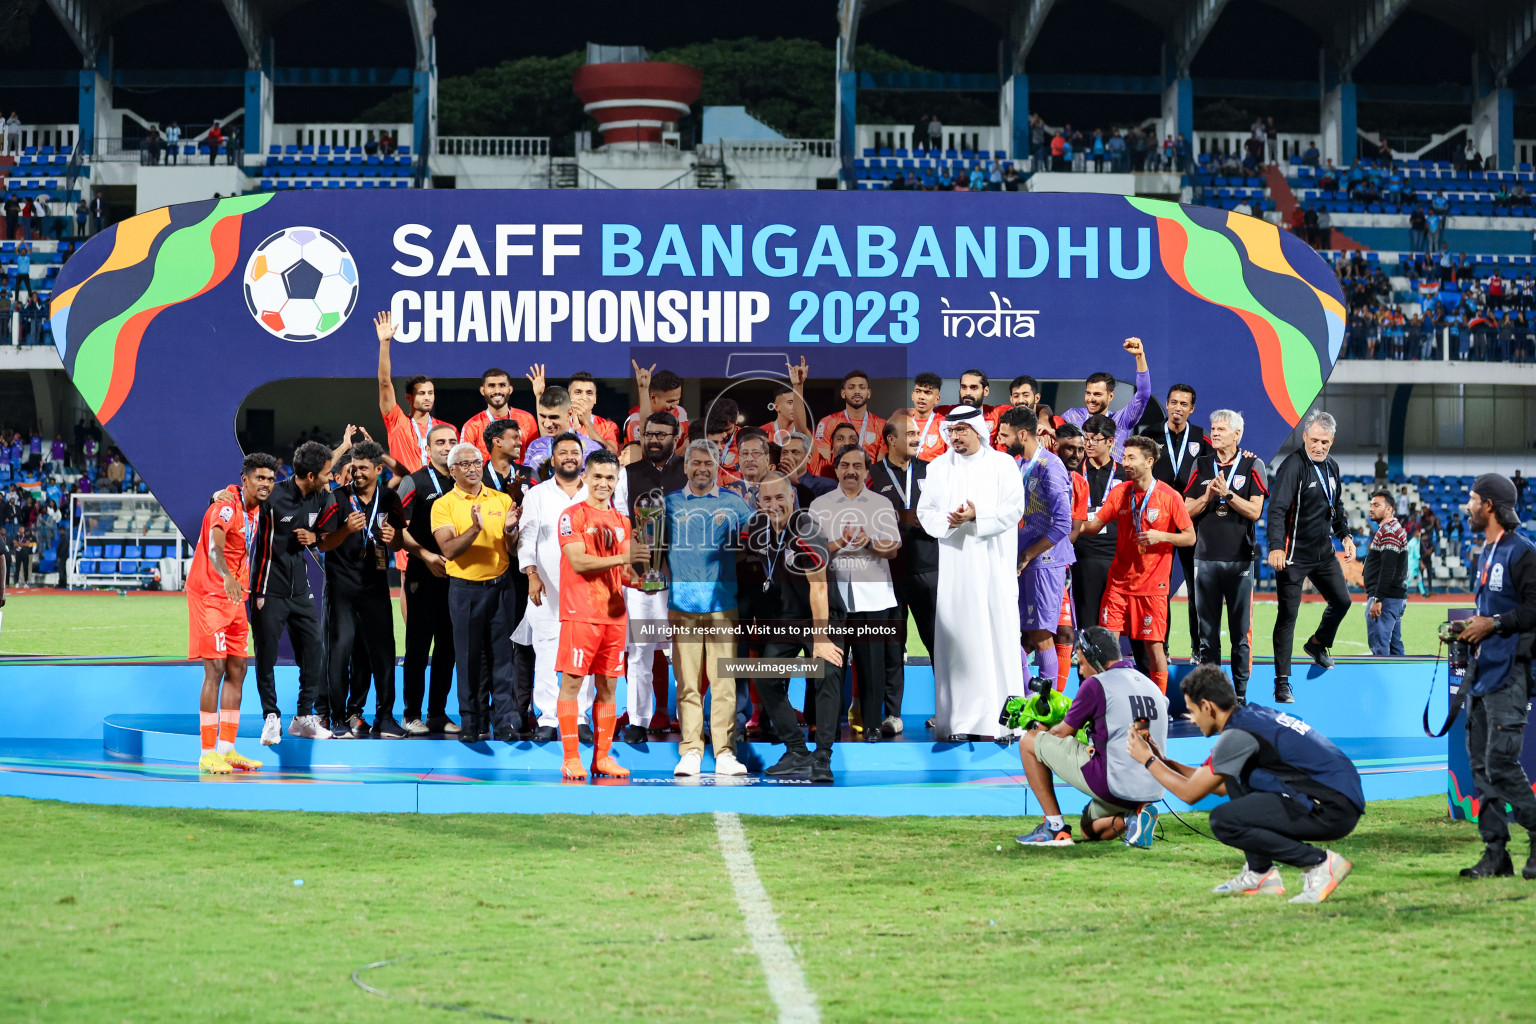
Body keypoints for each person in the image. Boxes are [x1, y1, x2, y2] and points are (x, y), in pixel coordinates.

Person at [1132, 665, 1361, 903]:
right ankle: (1260, 873)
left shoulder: (1236, 736)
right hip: (1338, 798)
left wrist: (1147, 760)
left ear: (1207, 706)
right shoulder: (1252, 718)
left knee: (1224, 821)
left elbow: (1191, 793)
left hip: (1332, 809)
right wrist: (1162, 760)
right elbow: (1215, 783)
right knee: (1234, 780)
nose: (1192, 719)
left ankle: (1320, 864)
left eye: (1192, 711)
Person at [916, 406, 1027, 740]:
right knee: (960, 641)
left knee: (1000, 638)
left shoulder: (1003, 464)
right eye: (951, 431)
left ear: (977, 430)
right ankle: (959, 723)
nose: (956, 437)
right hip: (956, 569)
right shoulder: (937, 467)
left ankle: (1007, 722)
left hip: (994, 568)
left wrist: (979, 516)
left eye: (962, 430)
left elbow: (1015, 507)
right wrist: (948, 521)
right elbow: (926, 510)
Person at [1015, 626, 1168, 847]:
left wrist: (1038, 726)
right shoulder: (1151, 686)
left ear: (1096, 658)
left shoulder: (1097, 684)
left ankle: (1054, 828)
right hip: (1152, 787)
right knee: (1088, 830)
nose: (1081, 671)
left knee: (1030, 740)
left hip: (1114, 784)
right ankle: (1134, 818)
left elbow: (1060, 734)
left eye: (1082, 663)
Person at [1453, 475, 1536, 880]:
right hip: (1483, 674)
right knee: (1480, 768)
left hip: (1510, 674)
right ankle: (1496, 854)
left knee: (1500, 762)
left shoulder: (1523, 553)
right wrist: (1469, 627)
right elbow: (1492, 614)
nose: (1466, 507)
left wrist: (1494, 623)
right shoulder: (1487, 551)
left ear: (1489, 505)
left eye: (1471, 500)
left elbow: (1533, 609)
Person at [745, 471, 846, 782]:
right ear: (757, 502)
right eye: (767, 498)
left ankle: (823, 757)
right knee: (764, 674)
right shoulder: (758, 527)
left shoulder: (807, 529)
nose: (774, 503)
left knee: (826, 672)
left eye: (780, 497)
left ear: (791, 497)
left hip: (822, 614)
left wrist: (821, 638)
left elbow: (818, 588)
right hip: (787, 617)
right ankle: (797, 751)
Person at [1077, 435, 1195, 694]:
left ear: (1149, 461)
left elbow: (1190, 536)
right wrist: (1069, 525)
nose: (1125, 463)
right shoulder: (1120, 492)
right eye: (1124, 457)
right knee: (1106, 645)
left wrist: (1162, 536)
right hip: (1118, 584)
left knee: (1154, 648)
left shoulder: (1169, 496)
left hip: (1152, 588)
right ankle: (1107, 701)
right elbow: (1094, 526)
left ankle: (1159, 703)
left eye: (1132, 458)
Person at [663, 440, 753, 776]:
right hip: (682, 605)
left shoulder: (734, 503)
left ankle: (725, 752)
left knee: (724, 683)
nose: (702, 469)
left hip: (723, 604)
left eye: (709, 464)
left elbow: (756, 537)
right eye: (696, 463)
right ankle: (690, 751)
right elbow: (655, 548)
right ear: (685, 466)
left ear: (718, 467)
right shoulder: (669, 504)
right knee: (687, 682)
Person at [554, 449, 641, 779]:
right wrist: (621, 562)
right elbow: (578, 562)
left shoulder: (623, 522)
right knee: (573, 685)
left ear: (617, 481)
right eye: (598, 477)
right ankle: (570, 756)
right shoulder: (571, 515)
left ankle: (602, 757)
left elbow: (625, 573)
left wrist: (641, 581)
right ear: (585, 478)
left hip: (614, 615)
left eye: (610, 478)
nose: (603, 483)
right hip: (581, 613)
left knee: (608, 688)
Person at [188, 454, 275, 774]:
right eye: (259, 478)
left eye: (270, 479)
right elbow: (214, 545)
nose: (265, 483)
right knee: (215, 669)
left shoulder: (256, 508)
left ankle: (227, 748)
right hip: (212, 593)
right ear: (245, 479)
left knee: (238, 668)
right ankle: (207, 751)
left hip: (236, 596)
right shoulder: (226, 506)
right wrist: (225, 574)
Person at [810, 443, 901, 740]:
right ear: (835, 469)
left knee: (872, 665)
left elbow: (893, 549)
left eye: (857, 466)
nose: (851, 471)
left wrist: (868, 543)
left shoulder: (881, 504)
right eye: (845, 465)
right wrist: (839, 542)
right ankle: (829, 727)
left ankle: (873, 726)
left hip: (872, 598)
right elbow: (811, 552)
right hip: (832, 599)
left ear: (866, 470)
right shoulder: (819, 505)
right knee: (832, 667)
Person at [315, 441, 407, 738]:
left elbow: (397, 542)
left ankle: (385, 717)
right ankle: (338, 717)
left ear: (379, 470)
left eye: (363, 468)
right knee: (339, 654)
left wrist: (392, 538)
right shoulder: (337, 498)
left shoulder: (390, 498)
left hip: (375, 587)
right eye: (353, 467)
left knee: (383, 653)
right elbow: (323, 543)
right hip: (341, 589)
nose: (356, 473)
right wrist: (346, 530)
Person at [246, 441, 336, 742]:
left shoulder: (320, 496)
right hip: (267, 589)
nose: (330, 476)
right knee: (266, 655)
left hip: (301, 590)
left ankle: (303, 716)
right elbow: (240, 498)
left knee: (315, 650)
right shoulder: (274, 494)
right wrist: (217, 495)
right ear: (310, 475)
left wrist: (314, 537)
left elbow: (325, 535)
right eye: (326, 472)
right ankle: (271, 717)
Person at [433, 441, 521, 743]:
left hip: (501, 587)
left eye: (476, 463)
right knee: (469, 658)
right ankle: (471, 721)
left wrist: (511, 530)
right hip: (465, 589)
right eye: (465, 464)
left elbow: (511, 548)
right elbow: (448, 549)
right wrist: (473, 529)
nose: (472, 469)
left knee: (502, 658)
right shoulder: (443, 505)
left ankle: (505, 722)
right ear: (452, 470)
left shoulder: (501, 500)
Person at [1266, 411, 1354, 703]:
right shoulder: (1293, 466)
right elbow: (1276, 508)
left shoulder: (1332, 467)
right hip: (1292, 555)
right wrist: (1276, 546)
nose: (1318, 446)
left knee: (1342, 601)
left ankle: (1318, 644)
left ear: (1332, 441)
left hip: (1324, 553)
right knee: (1288, 617)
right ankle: (1282, 682)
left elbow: (1336, 505)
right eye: (1314, 440)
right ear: (1304, 436)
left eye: (1324, 442)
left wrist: (1345, 535)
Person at [1184, 410, 1268, 704]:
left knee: (1240, 634)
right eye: (1213, 428)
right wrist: (1207, 497)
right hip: (1205, 559)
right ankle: (1212, 695)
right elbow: (1186, 510)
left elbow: (1256, 512)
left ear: (1237, 434)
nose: (1215, 432)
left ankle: (1241, 695)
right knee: (1206, 635)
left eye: (1221, 429)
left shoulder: (1252, 463)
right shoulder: (1202, 463)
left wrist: (1228, 494)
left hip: (1240, 560)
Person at [613, 411, 687, 740]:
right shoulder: (626, 475)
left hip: (683, 581)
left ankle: (691, 722)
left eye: (661, 434)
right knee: (640, 651)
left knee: (686, 653)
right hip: (642, 581)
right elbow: (618, 523)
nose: (654, 440)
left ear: (677, 437)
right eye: (649, 434)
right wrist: (630, 564)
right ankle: (639, 722)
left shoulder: (690, 472)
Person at [516, 434, 592, 741]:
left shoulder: (593, 493)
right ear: (553, 458)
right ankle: (548, 718)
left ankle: (580, 716)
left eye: (575, 452)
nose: (570, 456)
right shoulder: (537, 495)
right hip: (546, 587)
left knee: (581, 653)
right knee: (546, 652)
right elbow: (526, 536)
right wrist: (531, 573)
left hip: (587, 587)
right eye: (563, 452)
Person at [869, 412, 938, 731]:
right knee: (891, 645)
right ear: (891, 440)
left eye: (917, 433)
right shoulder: (873, 474)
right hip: (889, 573)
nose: (916, 437)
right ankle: (892, 714)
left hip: (928, 568)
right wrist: (899, 517)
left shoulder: (933, 471)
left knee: (938, 643)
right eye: (908, 433)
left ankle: (946, 710)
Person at [1000, 406, 1075, 696]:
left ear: (1022, 434)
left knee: (1042, 636)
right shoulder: (1018, 466)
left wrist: (1029, 553)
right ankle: (1025, 696)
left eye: (1005, 435)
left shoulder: (1050, 466)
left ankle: (1047, 706)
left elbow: (1063, 523)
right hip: (1022, 560)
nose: (1003, 441)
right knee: (1013, 633)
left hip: (1045, 561)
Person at [397, 425, 461, 735]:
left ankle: (437, 713)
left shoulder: (465, 481)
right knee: (418, 647)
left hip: (456, 576)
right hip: (423, 572)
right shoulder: (414, 480)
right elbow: (398, 529)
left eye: (452, 441)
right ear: (428, 448)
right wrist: (426, 555)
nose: (446, 447)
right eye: (440, 442)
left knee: (448, 648)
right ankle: (411, 714)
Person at [1143, 384, 1212, 656]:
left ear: (1192, 409)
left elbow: (1213, 471)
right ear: (1168, 405)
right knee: (1159, 590)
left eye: (1184, 404)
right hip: (1157, 524)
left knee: (1196, 591)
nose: (1178, 409)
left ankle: (1198, 648)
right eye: (1174, 403)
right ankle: (1163, 646)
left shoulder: (1201, 439)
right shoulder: (1150, 435)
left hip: (1189, 525)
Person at [375, 311, 448, 476]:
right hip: (406, 492)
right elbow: (384, 382)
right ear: (409, 397)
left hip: (438, 493)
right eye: (422, 393)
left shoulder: (446, 429)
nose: (428, 397)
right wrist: (385, 343)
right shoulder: (396, 422)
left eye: (431, 393)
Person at [1058, 338, 1153, 461]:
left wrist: (1140, 356)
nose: (1091, 399)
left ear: (1110, 396)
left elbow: (1143, 394)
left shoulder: (1121, 421)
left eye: (1097, 394)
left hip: (1113, 478)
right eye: (1088, 393)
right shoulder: (1072, 416)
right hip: (1079, 479)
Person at [1072, 413, 1121, 649]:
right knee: (1086, 617)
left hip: (1116, 556)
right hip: (1084, 555)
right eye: (1086, 438)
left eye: (1095, 439)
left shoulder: (1124, 474)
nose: (1088, 443)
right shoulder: (1074, 473)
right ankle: (1085, 667)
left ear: (1110, 441)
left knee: (1113, 621)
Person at [1362, 490, 1408, 658]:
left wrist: (1378, 598)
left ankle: (1383, 684)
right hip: (1393, 597)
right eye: (1371, 505)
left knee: (1380, 650)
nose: (1371, 508)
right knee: (1396, 649)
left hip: (1386, 599)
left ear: (1389, 510)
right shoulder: (1392, 529)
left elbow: (1388, 568)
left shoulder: (1389, 532)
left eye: (1376, 505)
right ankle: (1400, 682)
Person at [812, 369, 887, 470]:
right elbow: (823, 466)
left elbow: (880, 468)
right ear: (843, 393)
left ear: (869, 393)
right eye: (851, 387)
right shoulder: (827, 422)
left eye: (862, 387)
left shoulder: (882, 425)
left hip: (869, 483)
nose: (857, 391)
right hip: (836, 482)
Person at [522, 386, 604, 476]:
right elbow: (526, 484)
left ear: (569, 414)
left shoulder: (591, 450)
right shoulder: (534, 446)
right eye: (543, 416)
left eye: (554, 417)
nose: (547, 424)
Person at [461, 368, 537, 464]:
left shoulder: (527, 419)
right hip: (484, 479)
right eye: (491, 386)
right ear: (482, 390)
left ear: (510, 389)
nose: (497, 391)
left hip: (519, 478)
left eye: (502, 385)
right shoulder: (472, 425)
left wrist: (539, 396)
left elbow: (537, 455)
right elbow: (464, 461)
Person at [626, 362, 690, 450]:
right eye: (670, 401)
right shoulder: (635, 420)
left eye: (677, 399)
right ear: (653, 397)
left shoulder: (680, 412)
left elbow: (688, 445)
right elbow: (643, 455)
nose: (674, 405)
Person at [907, 371, 948, 461]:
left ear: (937, 399)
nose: (921, 397)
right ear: (912, 395)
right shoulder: (903, 423)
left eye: (927, 393)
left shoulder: (945, 425)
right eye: (918, 391)